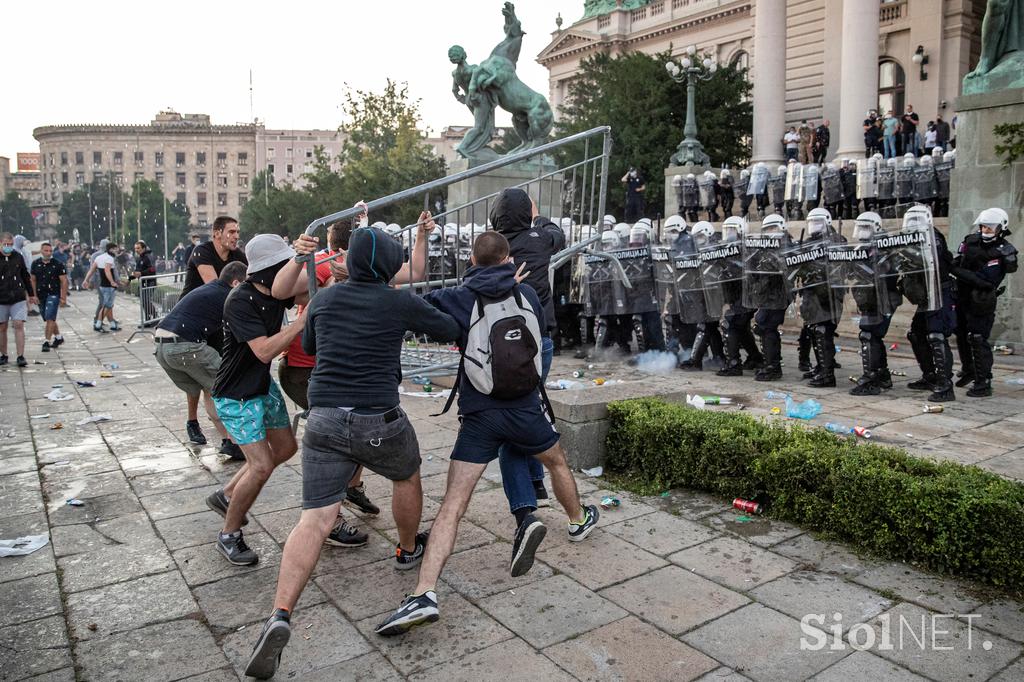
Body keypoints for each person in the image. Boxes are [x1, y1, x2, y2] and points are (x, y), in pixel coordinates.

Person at [241, 226, 460, 678]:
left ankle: (280, 613)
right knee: (407, 476)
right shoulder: (397, 300)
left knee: (315, 517)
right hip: (377, 417)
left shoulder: (323, 299)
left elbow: (309, 346)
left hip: (322, 419)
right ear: (386, 267)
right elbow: (448, 328)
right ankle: (404, 549)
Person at [373, 231, 599, 639]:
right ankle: (578, 519)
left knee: (453, 506)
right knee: (557, 462)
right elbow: (541, 332)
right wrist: (512, 282)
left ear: (473, 261)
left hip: (480, 416)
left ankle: (424, 593)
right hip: (526, 408)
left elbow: (418, 311)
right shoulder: (525, 293)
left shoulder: (461, 296)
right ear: (508, 258)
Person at [273, 222, 381, 530]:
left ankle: (351, 487)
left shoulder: (362, 269)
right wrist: (335, 280)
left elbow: (412, 272)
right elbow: (292, 296)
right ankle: (330, 519)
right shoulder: (325, 263)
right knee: (337, 435)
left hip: (327, 369)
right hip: (304, 369)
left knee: (366, 415)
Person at [207, 234, 305, 566]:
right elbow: (263, 350)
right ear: (267, 270)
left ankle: (227, 494)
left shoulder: (277, 292)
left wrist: (328, 263)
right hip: (236, 395)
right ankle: (229, 534)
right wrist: (302, 323)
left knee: (287, 448)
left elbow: (306, 287)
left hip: (261, 387)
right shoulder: (240, 300)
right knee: (261, 465)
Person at [489, 189, 563, 520]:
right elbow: (557, 235)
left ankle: (533, 487)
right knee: (528, 409)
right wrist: (538, 217)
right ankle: (533, 489)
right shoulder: (538, 239)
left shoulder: (489, 247)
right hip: (538, 340)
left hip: (500, 343)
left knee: (521, 410)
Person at [155, 261, 247, 459]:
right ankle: (235, 441)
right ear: (236, 283)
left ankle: (229, 442)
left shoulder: (209, 290)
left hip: (162, 347)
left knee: (210, 389)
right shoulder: (228, 297)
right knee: (226, 387)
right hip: (185, 346)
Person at [953, 208, 1017, 397]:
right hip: (962, 296)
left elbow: (985, 280)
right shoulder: (971, 240)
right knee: (961, 333)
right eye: (983, 227)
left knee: (978, 338)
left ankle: (984, 381)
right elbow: (961, 259)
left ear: (1001, 228)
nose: (985, 231)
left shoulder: (1004, 251)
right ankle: (969, 370)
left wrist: (955, 270)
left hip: (982, 299)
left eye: (990, 228)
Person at [902, 206, 957, 402]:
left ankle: (945, 385)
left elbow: (931, 259)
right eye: (911, 219)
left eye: (916, 219)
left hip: (940, 292)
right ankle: (930, 376)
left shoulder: (934, 237)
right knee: (916, 333)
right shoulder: (908, 239)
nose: (913, 224)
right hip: (926, 294)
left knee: (936, 335)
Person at [181, 217, 246, 297]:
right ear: (217, 234)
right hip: (192, 307)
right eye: (232, 232)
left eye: (237, 232)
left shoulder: (237, 253)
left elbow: (251, 276)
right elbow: (215, 288)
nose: (237, 236)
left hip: (214, 304)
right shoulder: (202, 251)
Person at [0, 232, 35, 367]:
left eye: (10, 244)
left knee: (18, 324)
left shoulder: (18, 257)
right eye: (5, 244)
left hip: (17, 297)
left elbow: (25, 276)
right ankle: (4, 354)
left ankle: (20, 355)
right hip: (1, 298)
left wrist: (31, 294)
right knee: (2, 327)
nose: (8, 247)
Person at [30, 243, 68, 353]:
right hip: (41, 294)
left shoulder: (58, 264)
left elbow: (64, 281)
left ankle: (46, 341)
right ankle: (59, 337)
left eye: (50, 251)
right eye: (46, 250)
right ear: (41, 251)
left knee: (50, 317)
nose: (48, 253)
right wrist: (33, 295)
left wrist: (63, 297)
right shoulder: (35, 264)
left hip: (53, 294)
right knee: (47, 317)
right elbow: (33, 279)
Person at [84, 242, 121, 332]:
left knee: (109, 305)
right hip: (109, 286)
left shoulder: (98, 258)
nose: (117, 251)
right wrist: (112, 282)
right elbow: (107, 271)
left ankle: (112, 324)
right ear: (110, 249)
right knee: (107, 306)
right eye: (115, 249)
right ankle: (98, 324)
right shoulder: (109, 259)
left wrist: (86, 280)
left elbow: (91, 270)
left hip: (102, 285)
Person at [132, 240, 158, 324]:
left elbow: (152, 269)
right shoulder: (140, 257)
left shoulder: (148, 256)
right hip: (143, 282)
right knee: (144, 302)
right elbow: (138, 269)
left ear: (143, 248)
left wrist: (141, 273)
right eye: (135, 248)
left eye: (138, 248)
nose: (136, 250)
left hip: (150, 282)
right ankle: (147, 320)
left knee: (146, 301)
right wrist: (130, 278)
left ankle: (155, 318)